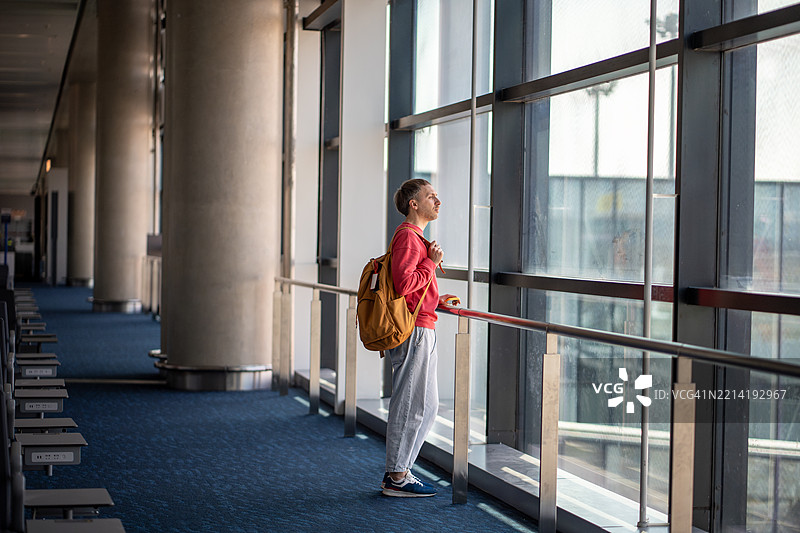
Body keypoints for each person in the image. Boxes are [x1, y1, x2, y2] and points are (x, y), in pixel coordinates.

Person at [381, 178, 458, 497]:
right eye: (431, 197)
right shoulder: (409, 238)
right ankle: (395, 477)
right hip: (413, 330)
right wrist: (432, 262)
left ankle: (402, 471)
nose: (438, 202)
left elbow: (413, 287)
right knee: (410, 403)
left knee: (427, 405)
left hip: (423, 324)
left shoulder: (415, 238)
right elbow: (403, 283)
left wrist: (435, 299)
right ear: (414, 204)